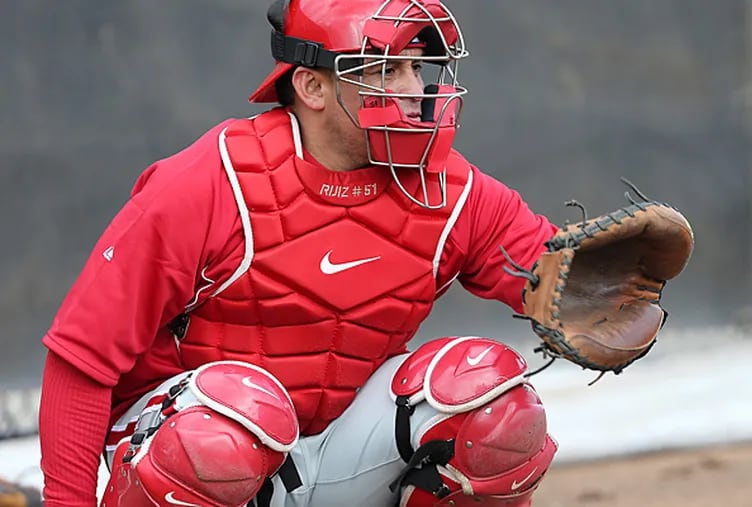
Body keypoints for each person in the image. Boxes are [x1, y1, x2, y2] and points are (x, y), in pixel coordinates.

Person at [38, 1, 560, 506]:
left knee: (492, 404)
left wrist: (630, 296)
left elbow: (569, 282)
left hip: (341, 446)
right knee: (219, 436)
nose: (413, 89)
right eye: (386, 70)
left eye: (417, 68)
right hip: (196, 451)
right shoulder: (213, 181)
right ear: (312, 85)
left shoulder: (450, 189)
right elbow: (80, 359)